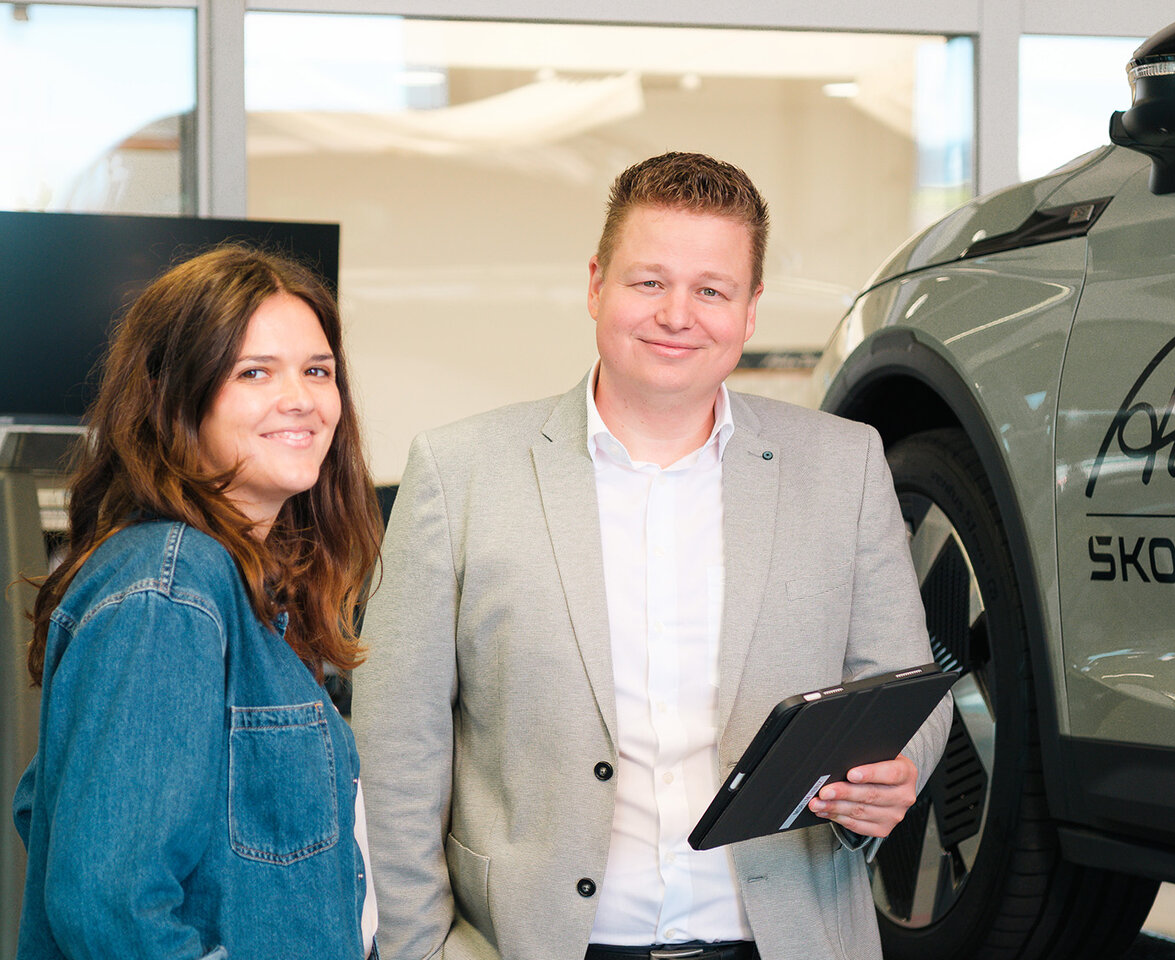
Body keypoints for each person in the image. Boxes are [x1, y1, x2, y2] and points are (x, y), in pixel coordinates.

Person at [354, 152, 951, 960]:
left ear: (749, 311)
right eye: (648, 282)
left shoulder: (844, 465)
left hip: (789, 939)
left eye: (712, 289)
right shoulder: (458, 473)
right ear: (596, 285)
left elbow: (907, 693)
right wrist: (417, 950)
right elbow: (397, 745)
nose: (679, 314)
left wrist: (891, 779)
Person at [13, 245, 383, 959]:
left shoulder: (245, 588)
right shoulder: (172, 589)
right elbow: (111, 904)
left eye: (317, 371)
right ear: (176, 397)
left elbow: (48, 811)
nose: (302, 399)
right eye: (254, 372)